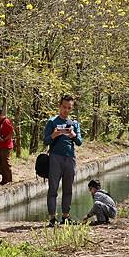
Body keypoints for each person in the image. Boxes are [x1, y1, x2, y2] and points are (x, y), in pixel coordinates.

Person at [43, 94, 83, 227]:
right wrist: (54, 134)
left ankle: (66, 217)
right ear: (60, 106)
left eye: (69, 108)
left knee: (68, 189)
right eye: (64, 107)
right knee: (53, 189)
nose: (66, 110)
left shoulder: (74, 124)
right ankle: (52, 218)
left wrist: (73, 135)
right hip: (55, 158)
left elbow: (80, 142)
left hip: (70, 159)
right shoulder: (52, 122)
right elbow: (45, 140)